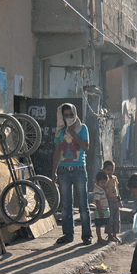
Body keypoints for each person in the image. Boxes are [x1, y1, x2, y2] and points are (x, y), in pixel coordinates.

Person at [52, 103, 92, 245]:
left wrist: (73, 133)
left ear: (75, 115)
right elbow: (57, 152)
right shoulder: (59, 131)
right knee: (66, 206)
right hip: (63, 171)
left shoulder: (82, 128)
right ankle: (68, 235)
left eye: (71, 115)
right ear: (62, 116)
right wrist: (54, 173)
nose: (68, 117)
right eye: (66, 115)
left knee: (83, 204)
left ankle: (87, 235)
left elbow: (86, 147)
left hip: (79, 169)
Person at [102, 160, 122, 243]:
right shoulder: (104, 180)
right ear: (104, 170)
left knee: (116, 218)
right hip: (108, 201)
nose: (110, 171)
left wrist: (119, 200)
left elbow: (116, 189)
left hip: (115, 201)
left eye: (112, 169)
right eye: (108, 169)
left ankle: (114, 235)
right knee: (110, 219)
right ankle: (109, 235)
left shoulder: (114, 178)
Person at [92, 171, 111, 245]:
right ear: (97, 181)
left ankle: (108, 236)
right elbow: (97, 201)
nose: (103, 184)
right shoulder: (97, 190)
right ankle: (99, 238)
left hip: (105, 210)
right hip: (100, 210)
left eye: (104, 182)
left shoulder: (101, 189)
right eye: (102, 182)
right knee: (98, 225)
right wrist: (100, 211)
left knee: (107, 223)